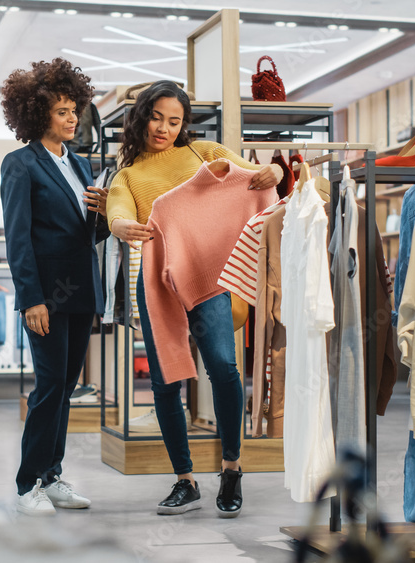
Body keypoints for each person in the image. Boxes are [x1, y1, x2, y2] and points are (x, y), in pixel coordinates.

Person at [106, 80, 282, 517]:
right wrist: (121, 226)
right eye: (156, 117)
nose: (163, 128)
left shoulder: (205, 152)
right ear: (142, 115)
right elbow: (117, 208)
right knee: (167, 380)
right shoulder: (127, 175)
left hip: (212, 280)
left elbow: (254, 177)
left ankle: (232, 468)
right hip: (159, 286)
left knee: (223, 368)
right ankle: (184, 479)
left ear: (184, 124)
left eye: (174, 120)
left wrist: (277, 172)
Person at [0, 58, 110, 515]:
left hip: (82, 291)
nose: (72, 118)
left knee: (65, 387)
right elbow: (18, 237)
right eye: (63, 110)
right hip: (46, 295)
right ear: (38, 111)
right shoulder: (20, 164)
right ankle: (28, 486)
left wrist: (102, 211)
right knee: (49, 386)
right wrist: (32, 300)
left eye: (74, 110)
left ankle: (53, 475)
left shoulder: (81, 165)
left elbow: (91, 237)